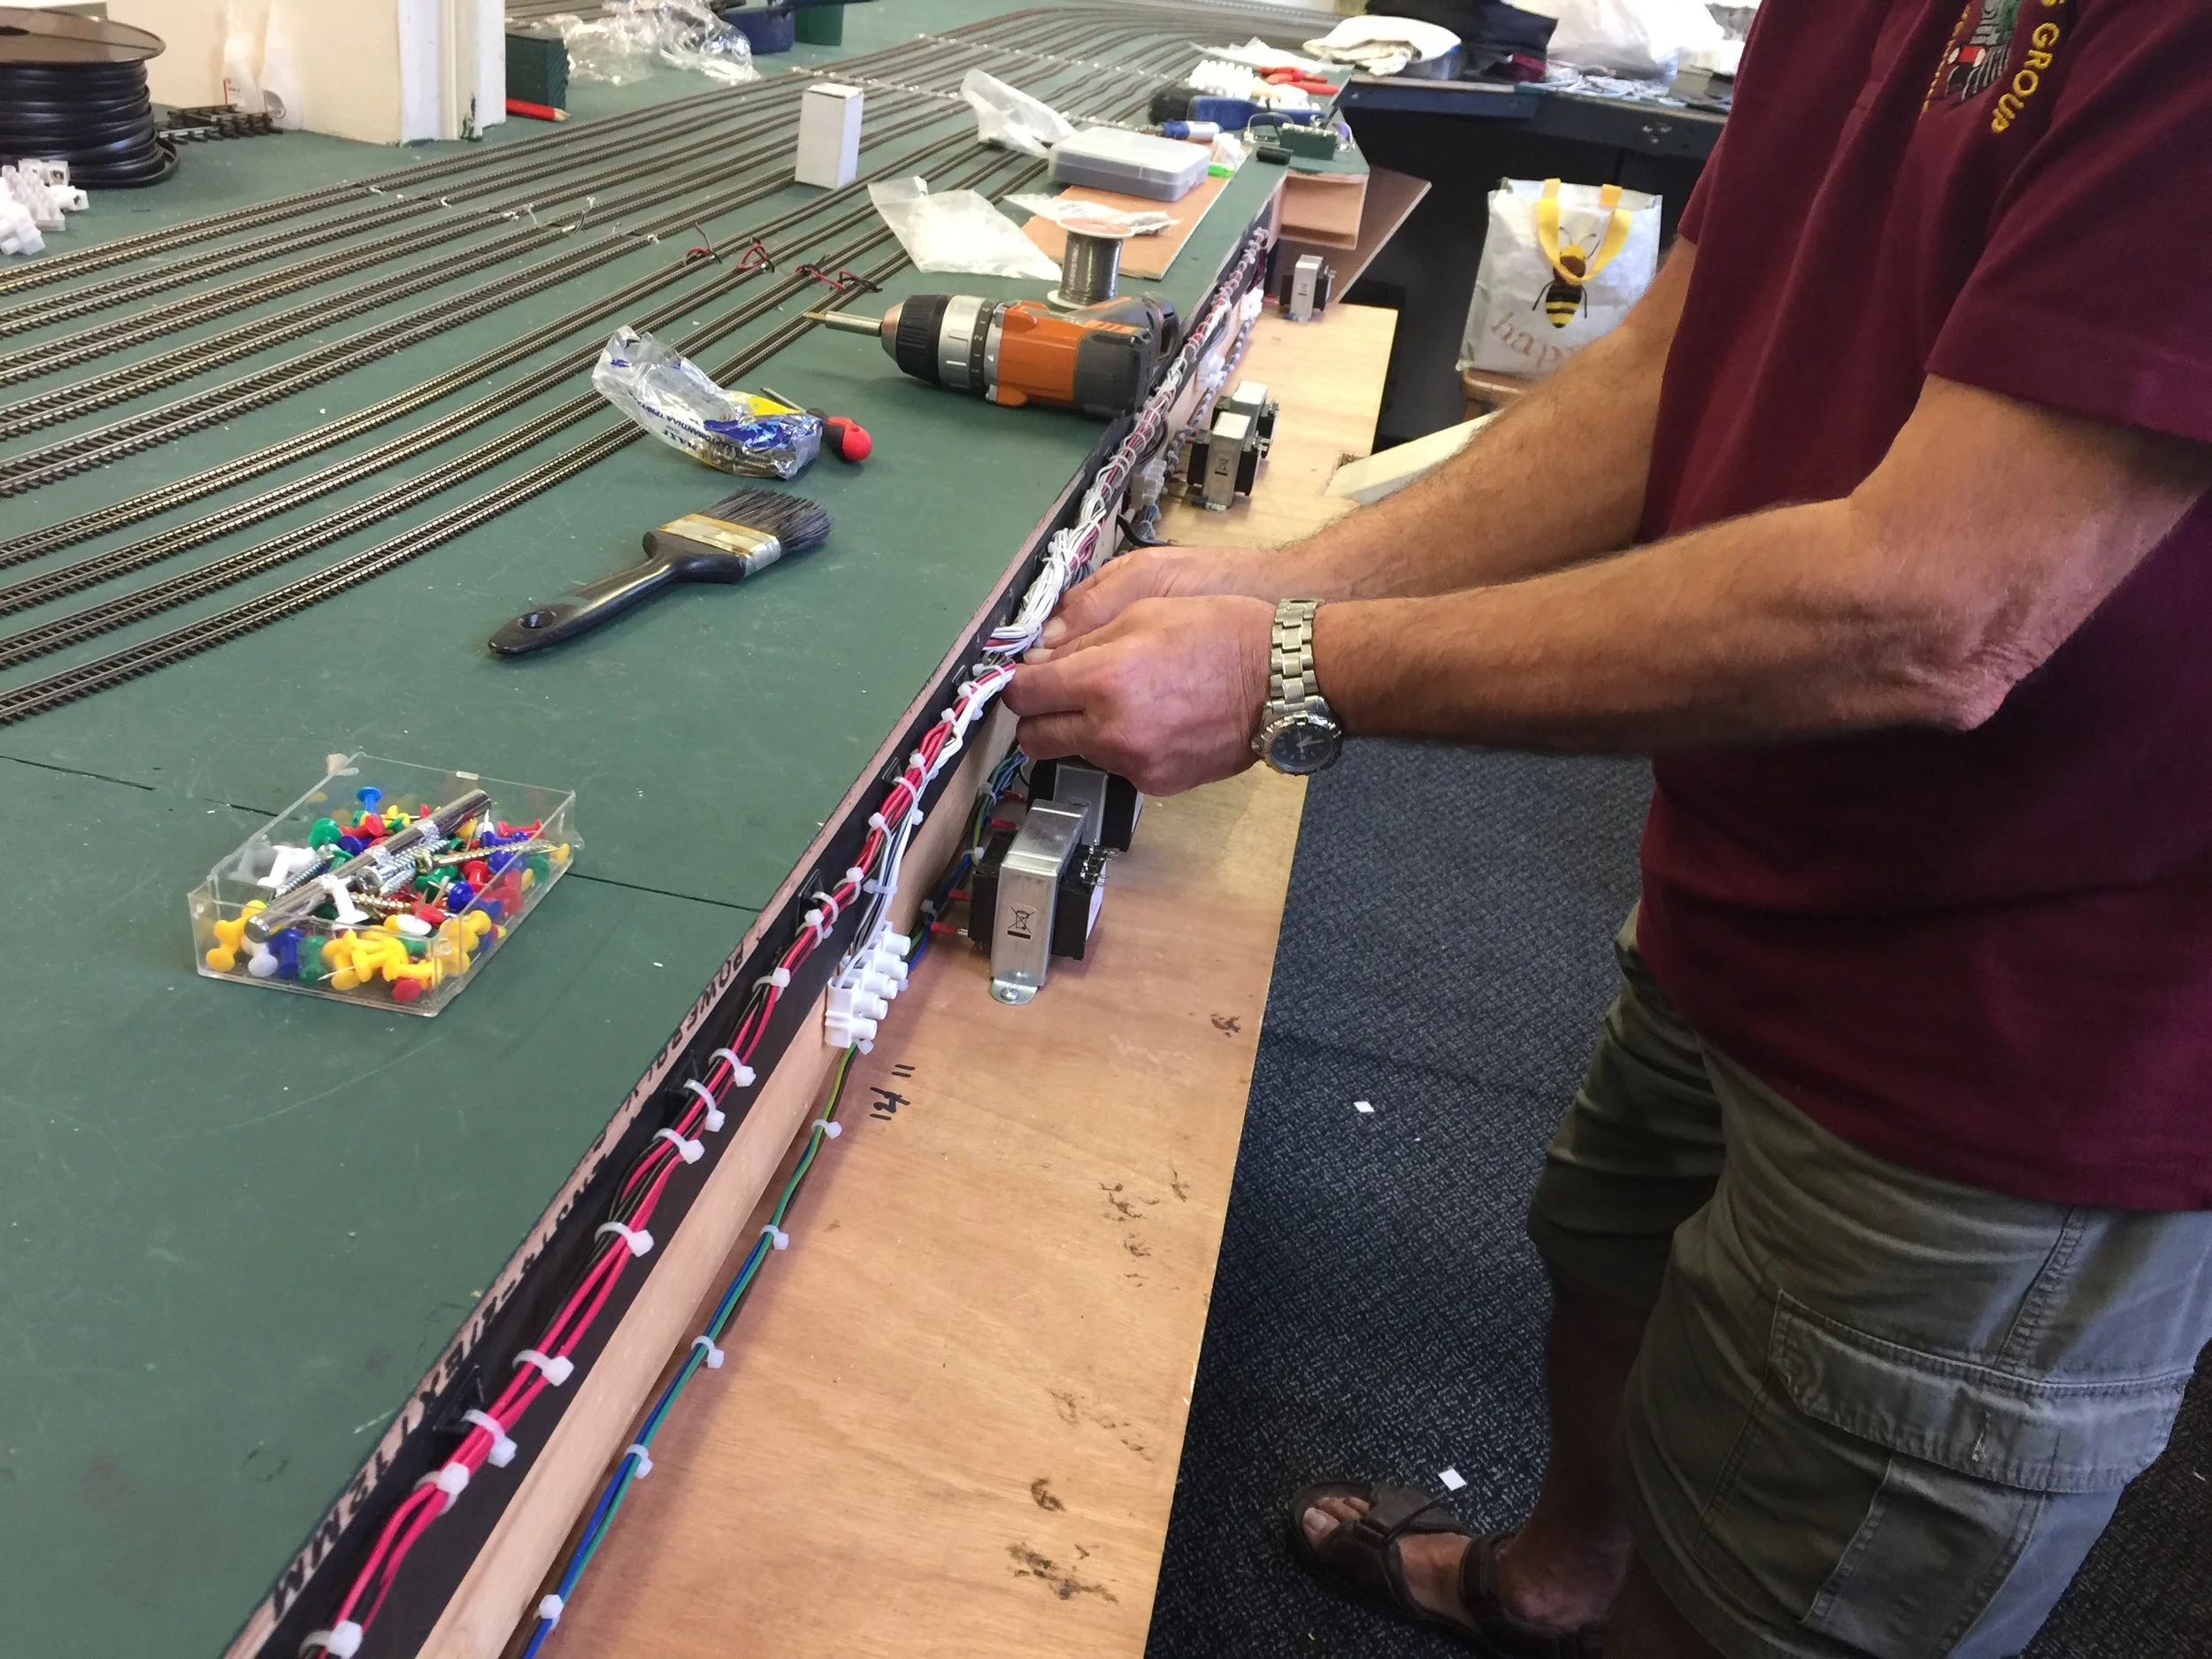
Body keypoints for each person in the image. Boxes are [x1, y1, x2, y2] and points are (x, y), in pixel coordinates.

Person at [1003, 1, 2212, 1654]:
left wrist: (1293, 665)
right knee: (1611, 1263)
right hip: (1749, 864)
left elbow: (1938, 609)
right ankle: (1557, 1580)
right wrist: (1281, 586)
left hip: (2018, 1040)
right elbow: (1675, 358)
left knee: (1775, 1576)